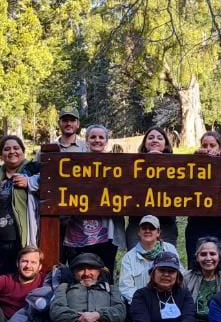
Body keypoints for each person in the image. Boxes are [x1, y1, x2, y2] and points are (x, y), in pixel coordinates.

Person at [60, 124, 125, 271]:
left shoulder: (118, 164)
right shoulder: (74, 162)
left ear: (106, 141)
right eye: (93, 137)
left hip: (107, 233)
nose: (97, 140)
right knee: (78, 273)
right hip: (77, 231)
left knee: (104, 272)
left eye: (101, 137)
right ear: (87, 140)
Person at [0, 134, 40, 276]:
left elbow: (51, 185)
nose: (12, 152)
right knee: (4, 279)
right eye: (7, 149)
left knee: (25, 278)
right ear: (1, 154)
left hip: (24, 238)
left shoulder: (33, 169)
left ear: (23, 151)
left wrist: (30, 183)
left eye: (16, 148)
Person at [125, 127, 179, 247]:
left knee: (165, 262)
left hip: (166, 224)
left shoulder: (177, 166)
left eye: (160, 138)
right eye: (150, 138)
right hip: (137, 223)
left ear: (165, 145)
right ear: (145, 144)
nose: (155, 140)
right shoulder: (131, 165)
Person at [184, 131, 221, 267]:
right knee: (195, 266)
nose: (209, 149)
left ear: (220, 148)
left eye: (212, 145)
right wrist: (196, 159)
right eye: (205, 145)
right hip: (197, 225)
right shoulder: (193, 165)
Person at [117, 215, 179, 303]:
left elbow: (180, 275)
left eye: (152, 228)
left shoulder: (170, 249)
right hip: (141, 303)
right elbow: (126, 287)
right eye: (144, 228)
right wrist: (143, 302)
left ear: (158, 232)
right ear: (139, 232)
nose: (147, 231)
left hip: (168, 301)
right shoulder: (129, 257)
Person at [184, 237, 221, 322]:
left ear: (219, 257)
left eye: (212, 254)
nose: (208, 258)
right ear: (197, 257)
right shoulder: (186, 278)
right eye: (203, 254)